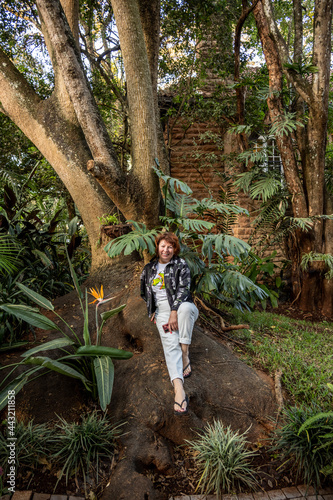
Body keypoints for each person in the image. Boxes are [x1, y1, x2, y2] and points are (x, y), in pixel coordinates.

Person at [140, 232, 199, 415]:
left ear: (174, 250)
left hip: (181, 306)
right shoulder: (149, 268)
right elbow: (144, 292)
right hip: (162, 312)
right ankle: (179, 389)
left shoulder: (180, 264)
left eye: (170, 247)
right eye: (163, 246)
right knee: (169, 344)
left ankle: (185, 353)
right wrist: (152, 311)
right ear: (158, 247)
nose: (166, 250)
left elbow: (184, 288)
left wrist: (173, 311)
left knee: (186, 310)